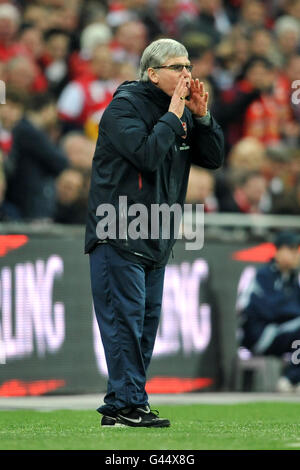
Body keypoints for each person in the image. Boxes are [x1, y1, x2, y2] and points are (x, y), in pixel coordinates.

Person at [85, 38, 224, 428]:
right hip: (118, 228)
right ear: (152, 72)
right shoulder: (124, 106)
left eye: (189, 66)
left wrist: (201, 117)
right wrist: (175, 111)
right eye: (177, 67)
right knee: (125, 321)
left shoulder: (179, 110)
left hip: (157, 234)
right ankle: (131, 404)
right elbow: (146, 154)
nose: (187, 74)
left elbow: (212, 159)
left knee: (144, 325)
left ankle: (119, 403)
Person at [239, 231, 300, 392]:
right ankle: (289, 379)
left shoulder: (294, 279)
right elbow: (269, 310)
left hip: (283, 333)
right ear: (278, 251)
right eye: (291, 250)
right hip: (259, 335)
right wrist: (291, 312)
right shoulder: (263, 276)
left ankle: (294, 378)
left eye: (297, 250)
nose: (296, 255)